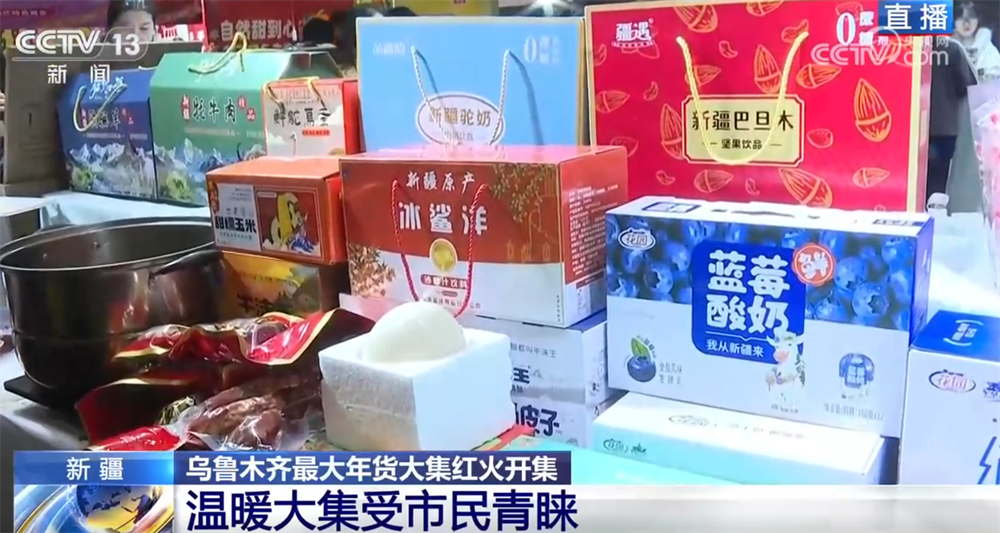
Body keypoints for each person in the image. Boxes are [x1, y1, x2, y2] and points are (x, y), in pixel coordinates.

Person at [927, 37, 978, 215]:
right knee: (938, 183)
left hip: (905, 129)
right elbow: (969, 86)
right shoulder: (951, 49)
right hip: (943, 126)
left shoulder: (896, 46)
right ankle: (935, 220)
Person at [954, 2, 1000, 80]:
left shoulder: (988, 49)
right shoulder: (947, 48)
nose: (966, 23)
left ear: (978, 19)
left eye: (971, 16)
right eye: (960, 17)